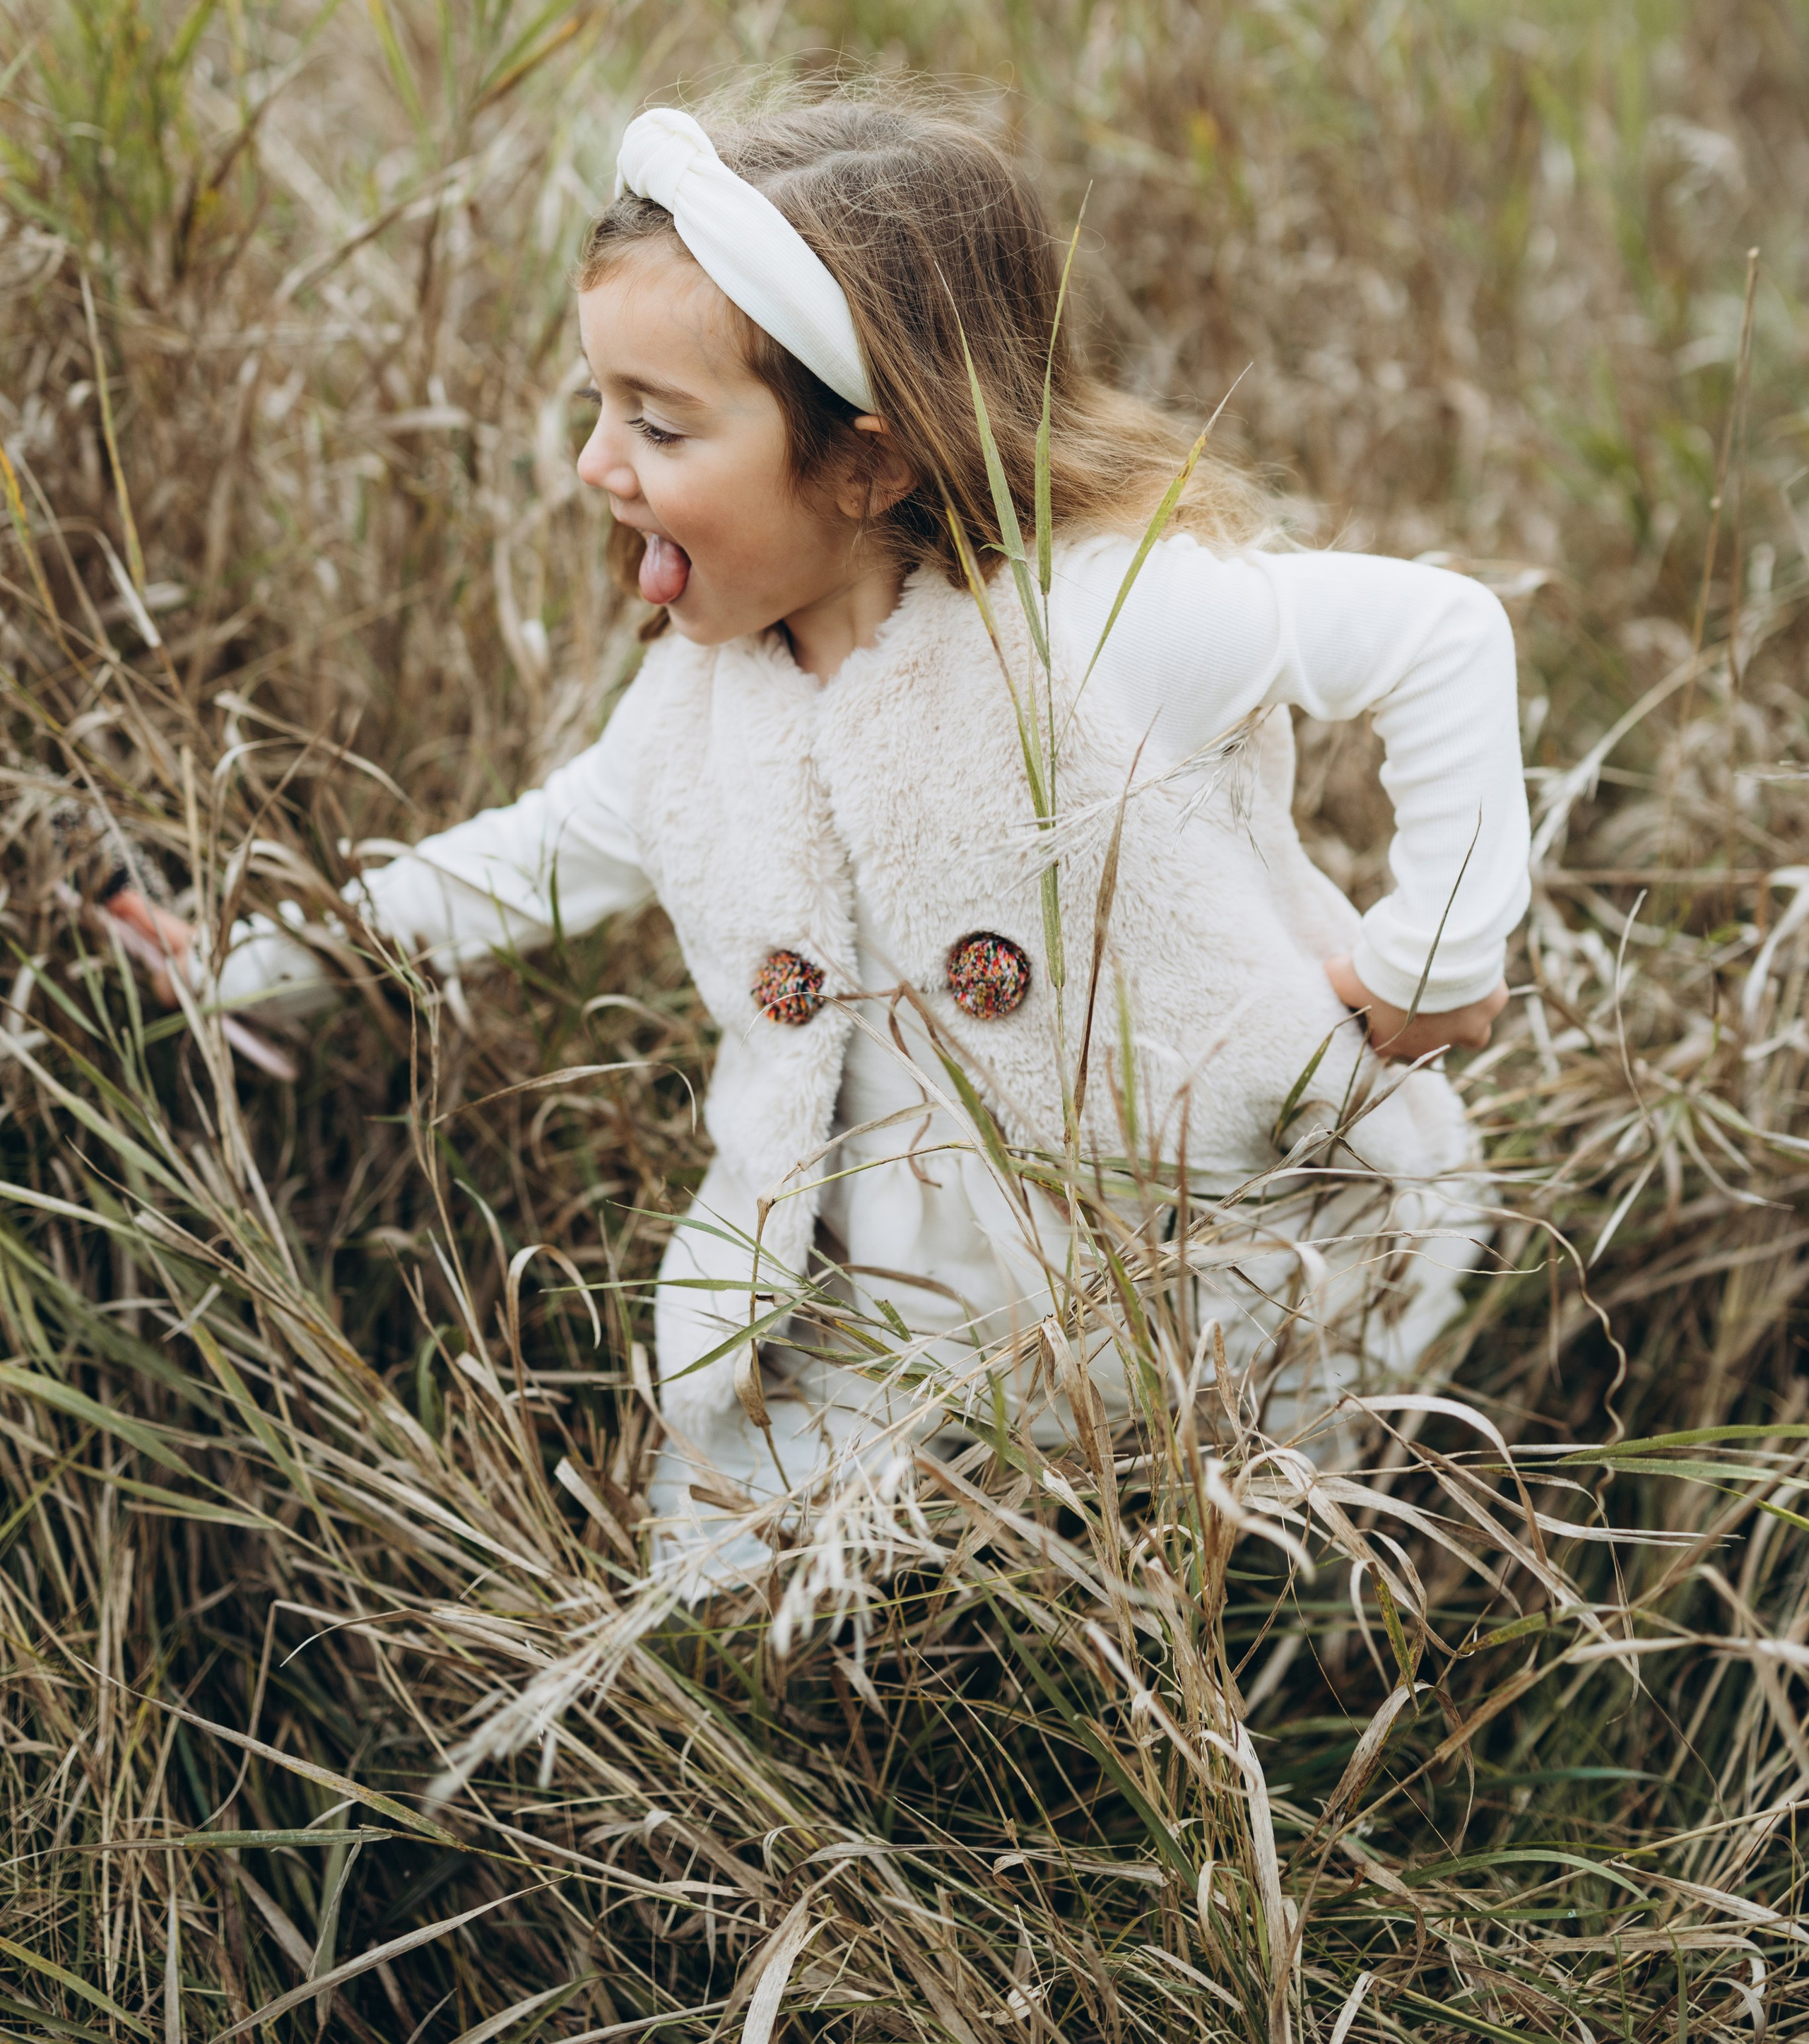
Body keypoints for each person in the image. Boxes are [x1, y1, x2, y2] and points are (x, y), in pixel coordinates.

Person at [134, 89, 1529, 1569]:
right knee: (729, 1588)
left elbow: (1440, 635)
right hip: (883, 1305)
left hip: (1213, 1260)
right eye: (599, 406)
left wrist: (1435, 958)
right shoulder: (703, 707)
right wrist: (243, 960)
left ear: (869, 462)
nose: (597, 464)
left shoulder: (1092, 622)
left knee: (1249, 1556)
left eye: (656, 423)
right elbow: (527, 860)